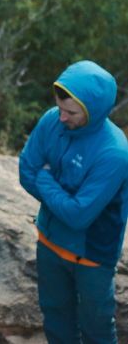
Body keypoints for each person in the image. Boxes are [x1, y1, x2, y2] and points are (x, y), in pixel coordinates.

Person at [19, 60, 128, 343]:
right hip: (49, 241)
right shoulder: (51, 120)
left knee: (97, 330)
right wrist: (60, 196)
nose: (62, 117)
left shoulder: (114, 153)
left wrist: (45, 179)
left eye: (71, 112)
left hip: (91, 255)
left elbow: (79, 215)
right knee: (55, 319)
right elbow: (25, 172)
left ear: (95, 111)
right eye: (59, 107)